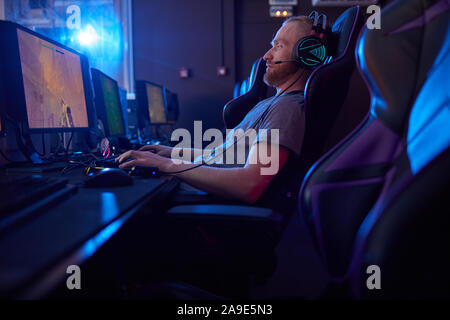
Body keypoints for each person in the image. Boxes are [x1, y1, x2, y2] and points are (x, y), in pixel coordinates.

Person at [116, 16, 317, 211]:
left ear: (305, 56)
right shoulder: (271, 103)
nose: (267, 55)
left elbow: (250, 185)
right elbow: (222, 156)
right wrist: (169, 153)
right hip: (202, 195)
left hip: (213, 208)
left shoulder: (287, 109)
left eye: (279, 46)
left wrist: (167, 165)